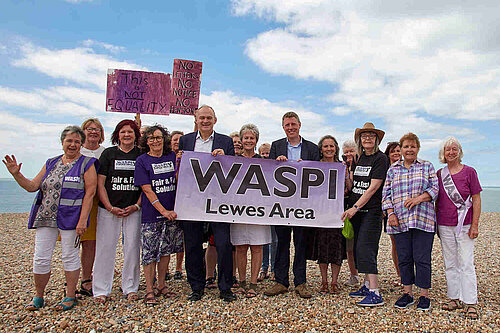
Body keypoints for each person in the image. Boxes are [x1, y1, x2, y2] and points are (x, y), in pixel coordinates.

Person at [3, 126, 98, 311]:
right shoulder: (51, 162)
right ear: (62, 143)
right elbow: (32, 186)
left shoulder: (88, 163)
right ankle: (38, 296)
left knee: (69, 256)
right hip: (46, 216)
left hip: (71, 218)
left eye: (77, 141)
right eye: (69, 141)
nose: (73, 145)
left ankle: (70, 295)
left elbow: (90, 193)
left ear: (82, 144)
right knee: (40, 257)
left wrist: (83, 220)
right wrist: (16, 174)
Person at [178, 105, 236, 302]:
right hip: (192, 201)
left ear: (215, 120)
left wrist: (225, 158)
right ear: (196, 119)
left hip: (218, 202)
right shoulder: (185, 140)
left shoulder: (225, 141)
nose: (205, 121)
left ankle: (225, 287)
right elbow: (179, 169)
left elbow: (234, 171)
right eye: (201, 118)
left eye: (208, 118)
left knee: (224, 244)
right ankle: (196, 287)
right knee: (193, 245)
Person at [264, 111, 320, 299]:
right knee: (281, 243)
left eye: (293, 124)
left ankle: (300, 282)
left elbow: (319, 174)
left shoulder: (312, 148)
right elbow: (268, 173)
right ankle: (280, 281)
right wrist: (276, 163)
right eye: (287, 125)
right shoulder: (276, 146)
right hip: (281, 204)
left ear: (299, 125)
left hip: (303, 204)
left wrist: (307, 165)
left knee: (301, 243)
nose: (290, 128)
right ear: (283, 127)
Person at [382, 133, 438, 311]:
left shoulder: (427, 166)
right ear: (401, 149)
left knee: (422, 259)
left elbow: (435, 188)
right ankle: (407, 293)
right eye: (406, 146)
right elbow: (386, 194)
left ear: (418, 148)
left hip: (423, 220)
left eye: (412, 146)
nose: (409, 149)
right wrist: (390, 213)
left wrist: (419, 198)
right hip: (400, 221)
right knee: (404, 258)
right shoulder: (393, 170)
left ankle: (424, 295)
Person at [93, 119, 142, 303]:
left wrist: (137, 206)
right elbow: (100, 183)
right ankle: (100, 290)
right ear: (117, 134)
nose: (127, 135)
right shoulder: (108, 154)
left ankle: (130, 287)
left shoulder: (141, 154)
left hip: (133, 210)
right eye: (123, 132)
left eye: (130, 131)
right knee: (105, 248)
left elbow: (146, 185)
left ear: (136, 135)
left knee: (132, 249)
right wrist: (109, 207)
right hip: (108, 210)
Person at [341, 122, 389, 307]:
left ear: (376, 139)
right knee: (359, 250)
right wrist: (346, 172)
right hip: (359, 211)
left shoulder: (380, 158)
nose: (367, 138)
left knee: (366, 249)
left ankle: (375, 292)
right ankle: (366, 285)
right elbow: (356, 183)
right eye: (364, 136)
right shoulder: (360, 158)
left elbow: (374, 187)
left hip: (371, 211)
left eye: (371, 135)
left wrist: (355, 207)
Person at [435, 137, 482, 319]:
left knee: (466, 262)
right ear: (443, 153)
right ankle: (454, 297)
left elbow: (476, 199)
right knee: (450, 262)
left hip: (466, 224)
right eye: (448, 150)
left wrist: (475, 225)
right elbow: (437, 199)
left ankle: (470, 301)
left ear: (459, 151)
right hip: (445, 224)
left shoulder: (470, 172)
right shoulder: (440, 174)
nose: (451, 152)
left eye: (454, 149)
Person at [135, 125, 181, 305]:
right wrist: (163, 211)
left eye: (158, 137)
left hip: (172, 214)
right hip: (151, 214)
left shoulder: (172, 157)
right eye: (151, 138)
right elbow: (146, 189)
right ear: (146, 141)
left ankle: (162, 285)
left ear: (165, 139)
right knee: (149, 253)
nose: (155, 141)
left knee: (165, 252)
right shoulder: (141, 161)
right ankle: (149, 289)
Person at [231, 124, 272, 298]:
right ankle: (241, 281)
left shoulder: (264, 162)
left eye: (252, 138)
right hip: (237, 210)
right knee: (240, 247)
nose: (248, 141)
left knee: (257, 247)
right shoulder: (231, 160)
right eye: (246, 137)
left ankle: (253, 283)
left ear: (256, 140)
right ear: (241, 140)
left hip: (258, 210)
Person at [307, 135, 346, 294]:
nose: (329, 149)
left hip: (337, 212)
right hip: (320, 213)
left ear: (336, 148)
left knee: (337, 248)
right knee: (322, 247)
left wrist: (347, 172)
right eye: (325, 146)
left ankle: (334, 281)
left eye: (331, 146)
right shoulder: (316, 166)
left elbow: (348, 187)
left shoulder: (341, 166)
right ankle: (323, 280)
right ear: (321, 149)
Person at [77, 118, 106, 297]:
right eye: (89, 129)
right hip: (75, 202)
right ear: (83, 131)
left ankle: (87, 278)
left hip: (97, 202)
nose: (93, 132)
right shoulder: (76, 150)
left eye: (97, 129)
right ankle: (71, 278)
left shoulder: (105, 153)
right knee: (72, 242)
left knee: (91, 243)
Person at [165, 130, 185, 280]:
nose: (177, 142)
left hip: (183, 200)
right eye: (175, 139)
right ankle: (164, 269)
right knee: (165, 237)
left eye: (180, 140)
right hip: (167, 200)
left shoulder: (187, 155)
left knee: (181, 237)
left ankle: (178, 267)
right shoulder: (166, 157)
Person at [341, 139, 360, 286]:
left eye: (351, 151)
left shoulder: (361, 166)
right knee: (350, 246)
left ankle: (366, 275)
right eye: (346, 152)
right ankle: (354, 274)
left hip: (361, 208)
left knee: (363, 245)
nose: (348, 154)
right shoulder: (341, 167)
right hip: (346, 209)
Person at [383, 141, 402, 282]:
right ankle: (400, 274)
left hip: (405, 210)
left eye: (398, 150)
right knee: (395, 242)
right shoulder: (385, 170)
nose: (396, 153)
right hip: (388, 210)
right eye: (393, 151)